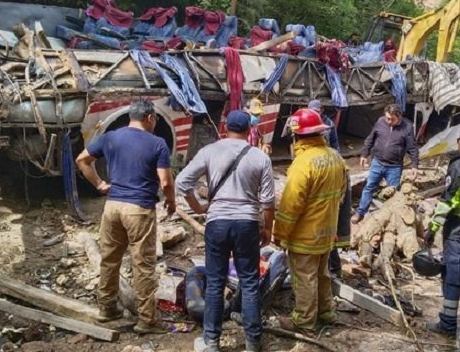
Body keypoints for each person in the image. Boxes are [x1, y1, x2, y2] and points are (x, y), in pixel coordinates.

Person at [176, 110, 275, 352]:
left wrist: (198, 207)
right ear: (249, 130)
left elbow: (182, 183)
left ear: (225, 127)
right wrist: (267, 230)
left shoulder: (210, 151)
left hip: (217, 222)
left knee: (216, 282)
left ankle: (211, 342)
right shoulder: (260, 157)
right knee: (250, 282)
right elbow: (269, 202)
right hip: (247, 224)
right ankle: (253, 342)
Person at [75, 99, 176, 334]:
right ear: (150, 118)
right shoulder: (157, 143)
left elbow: (82, 160)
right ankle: (147, 320)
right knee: (143, 264)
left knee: (110, 259)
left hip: (112, 207)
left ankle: (107, 308)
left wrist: (99, 184)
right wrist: (170, 201)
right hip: (139, 209)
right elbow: (165, 181)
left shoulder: (111, 137)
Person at [273, 108, 347, 334]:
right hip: (327, 232)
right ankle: (326, 312)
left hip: (305, 235)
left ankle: (304, 321)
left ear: (297, 135)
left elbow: (290, 205)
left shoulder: (303, 163)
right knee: (322, 274)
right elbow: (341, 195)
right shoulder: (336, 157)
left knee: (304, 278)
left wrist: (280, 233)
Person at [351, 104, 419, 224]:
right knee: (369, 187)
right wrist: (364, 154)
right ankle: (360, 212)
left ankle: (392, 218)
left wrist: (414, 165)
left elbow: (412, 148)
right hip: (377, 162)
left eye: (392, 119)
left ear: (399, 117)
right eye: (387, 118)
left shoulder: (407, 127)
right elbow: (371, 138)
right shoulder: (380, 121)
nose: (389, 121)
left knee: (394, 193)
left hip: (394, 166)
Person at [307, 100, 351, 277]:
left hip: (323, 213)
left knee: (328, 236)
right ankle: (331, 269)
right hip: (328, 210)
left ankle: (332, 268)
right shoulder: (334, 165)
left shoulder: (328, 126)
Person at [424, 135, 460, 336]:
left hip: (457, 228)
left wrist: (432, 229)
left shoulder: (457, 167)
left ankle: (447, 324)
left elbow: (447, 202)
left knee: (453, 273)